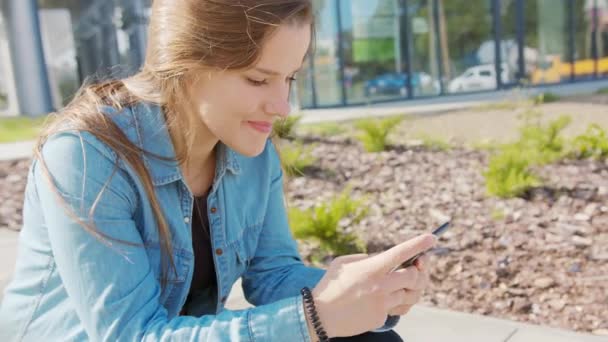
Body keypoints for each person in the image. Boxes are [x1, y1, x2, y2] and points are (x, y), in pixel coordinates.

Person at [0, 1, 436, 341]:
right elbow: (130, 336)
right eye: (258, 80)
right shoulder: (86, 155)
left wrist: (366, 290)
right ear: (187, 67)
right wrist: (314, 317)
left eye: (290, 79)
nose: (282, 107)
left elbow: (274, 276)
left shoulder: (250, 150)